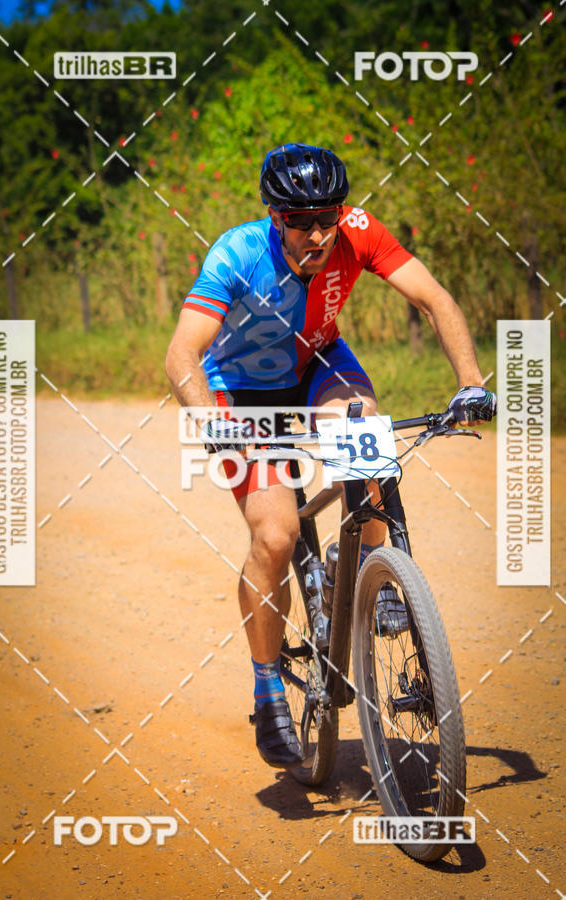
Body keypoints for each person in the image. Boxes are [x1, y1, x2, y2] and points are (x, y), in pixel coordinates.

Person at [165, 143, 496, 770]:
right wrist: (211, 422)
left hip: (318, 365)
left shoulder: (358, 232)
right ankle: (268, 688)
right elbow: (181, 355)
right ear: (274, 215)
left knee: (364, 430)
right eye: (300, 220)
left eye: (328, 217)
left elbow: (433, 298)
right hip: (240, 389)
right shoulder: (236, 255)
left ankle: (381, 569)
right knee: (277, 535)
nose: (317, 233)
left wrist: (471, 382)